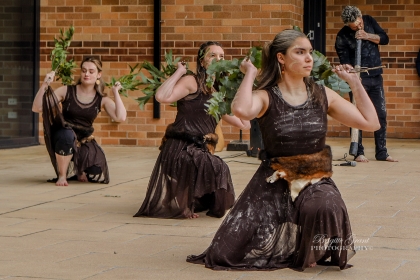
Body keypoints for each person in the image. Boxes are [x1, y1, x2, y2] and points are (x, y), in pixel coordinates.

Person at [187, 29, 380, 271]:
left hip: (314, 178)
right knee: (227, 252)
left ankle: (307, 243)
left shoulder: (322, 95)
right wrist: (250, 74)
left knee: (327, 206)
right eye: (300, 52)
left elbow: (372, 123)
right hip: (273, 181)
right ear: (281, 58)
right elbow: (242, 110)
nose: (309, 58)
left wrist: (355, 83)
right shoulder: (266, 96)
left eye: (309, 52)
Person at [133, 41, 251, 219]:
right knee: (218, 166)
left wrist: (243, 85)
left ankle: (189, 200)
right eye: (212, 55)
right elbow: (161, 96)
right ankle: (182, 200)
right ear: (202, 62)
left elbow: (245, 124)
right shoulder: (192, 82)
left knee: (215, 173)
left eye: (222, 56)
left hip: (199, 151)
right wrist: (179, 72)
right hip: (179, 148)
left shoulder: (219, 94)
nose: (218, 59)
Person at [32, 57, 127, 186]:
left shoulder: (101, 99)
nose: (86, 74)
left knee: (95, 169)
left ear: (99, 74)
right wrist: (45, 85)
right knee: (67, 136)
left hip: (84, 139)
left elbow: (120, 117)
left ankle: (79, 168)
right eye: (84, 70)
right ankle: (62, 175)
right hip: (63, 134)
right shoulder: (67, 90)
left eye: (91, 71)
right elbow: (37, 108)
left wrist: (116, 92)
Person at [335, 5, 397, 162]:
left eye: (359, 22)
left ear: (361, 17)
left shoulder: (369, 20)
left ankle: (382, 152)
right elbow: (345, 62)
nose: (358, 26)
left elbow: (384, 38)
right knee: (357, 115)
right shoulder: (342, 36)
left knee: (381, 113)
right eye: (354, 26)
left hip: (375, 76)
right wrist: (352, 74)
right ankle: (358, 152)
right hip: (358, 80)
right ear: (347, 25)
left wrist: (367, 35)